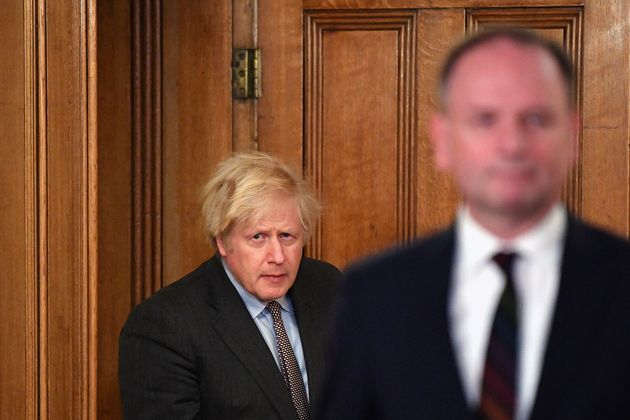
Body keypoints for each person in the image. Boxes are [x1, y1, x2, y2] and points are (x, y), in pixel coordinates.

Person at [318, 29, 630, 420]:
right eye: (485, 119)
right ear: (443, 140)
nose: (512, 144)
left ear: (572, 136)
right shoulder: (374, 295)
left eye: (536, 119)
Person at [119, 152, 343, 419]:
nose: (278, 256)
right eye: (258, 237)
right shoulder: (163, 326)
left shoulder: (328, 286)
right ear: (222, 242)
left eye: (287, 236)